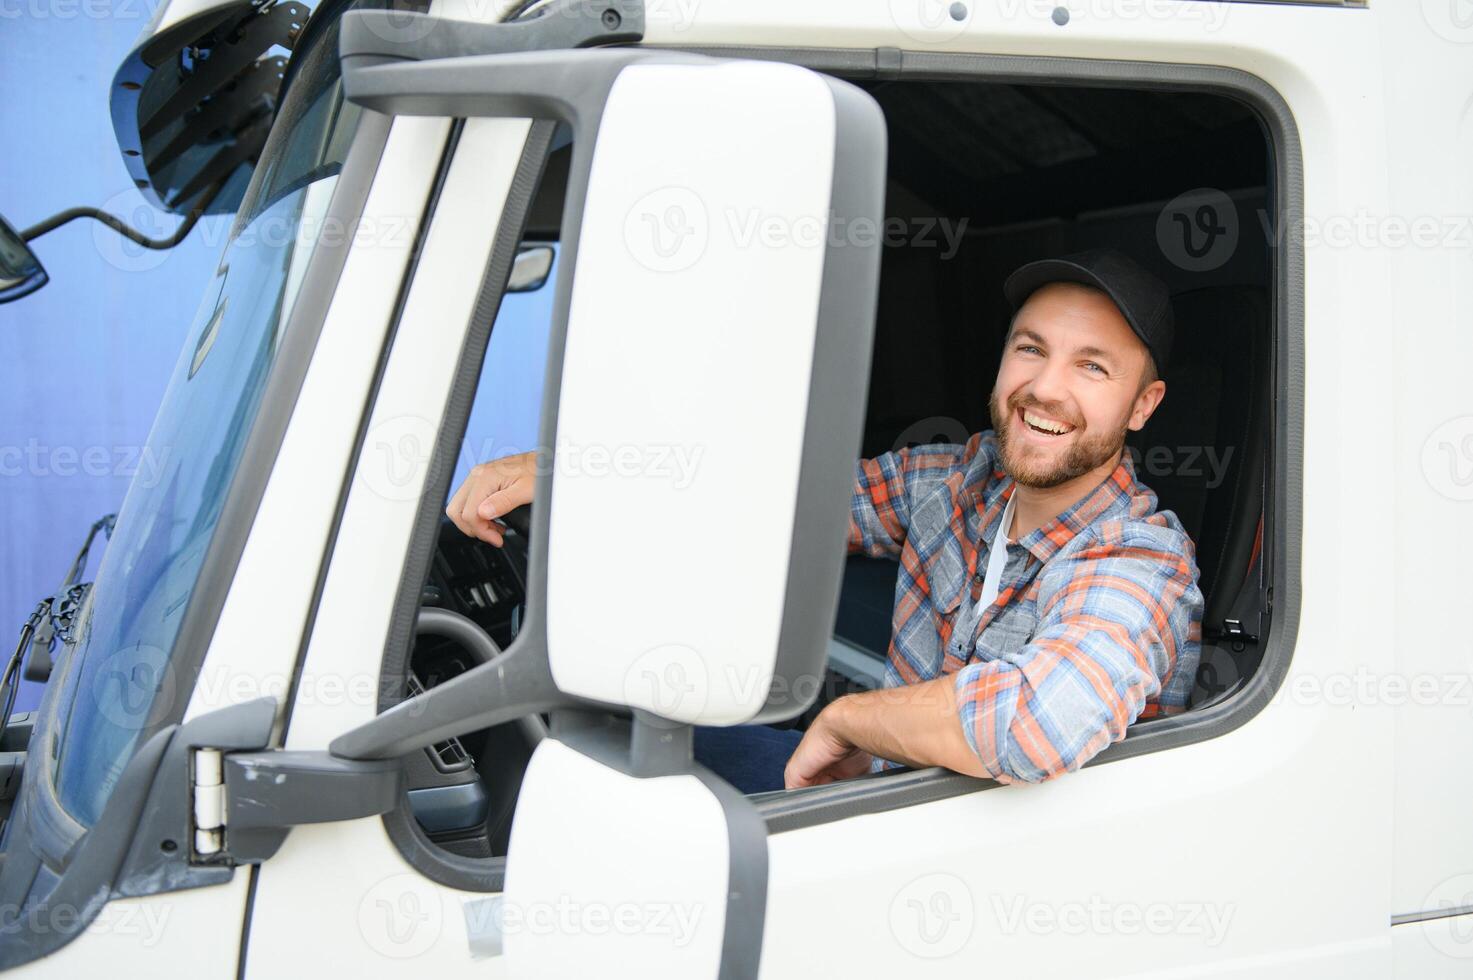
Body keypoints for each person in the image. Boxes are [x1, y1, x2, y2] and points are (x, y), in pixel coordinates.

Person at [445, 248, 1203, 795]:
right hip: (876, 801)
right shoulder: (956, 478)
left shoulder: (1139, 559)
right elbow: (771, 505)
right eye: (1029, 350)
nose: (1044, 389)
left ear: (1142, 405)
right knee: (608, 738)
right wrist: (576, 471)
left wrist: (849, 719)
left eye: (1091, 367)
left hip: (988, 882)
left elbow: (1031, 722)